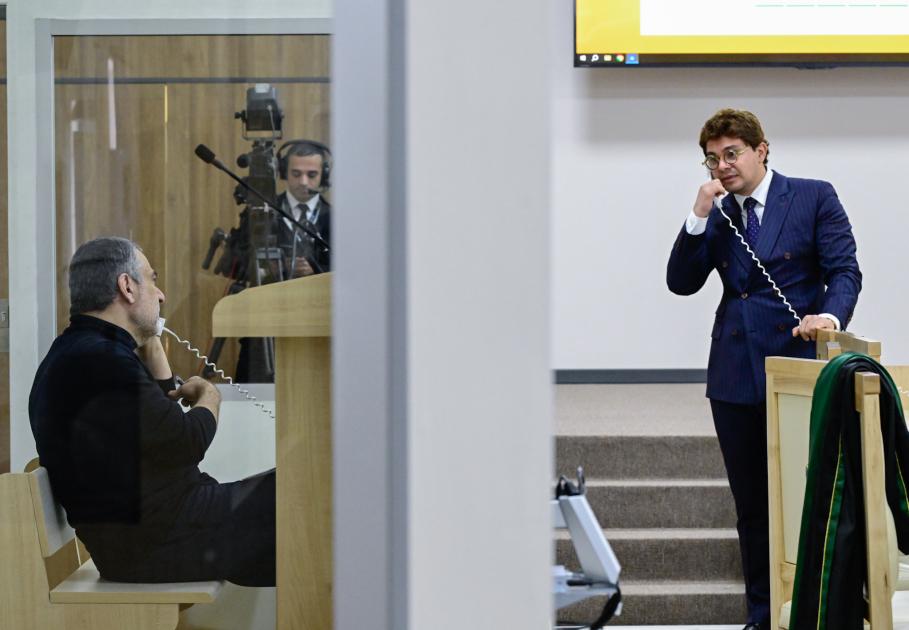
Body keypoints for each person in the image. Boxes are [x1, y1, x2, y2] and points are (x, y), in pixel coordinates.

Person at [666, 108, 862, 630]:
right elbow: (681, 282)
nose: (723, 166)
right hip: (733, 373)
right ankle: (761, 614)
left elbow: (845, 269)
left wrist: (831, 315)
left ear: (761, 150)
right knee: (752, 505)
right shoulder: (718, 213)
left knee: (811, 495)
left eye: (732, 154)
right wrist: (698, 216)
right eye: (713, 158)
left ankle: (820, 609)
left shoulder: (813, 195)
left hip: (798, 366)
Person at [29, 236, 275, 587]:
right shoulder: (101, 361)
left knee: (298, 487)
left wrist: (153, 348)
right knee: (305, 493)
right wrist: (210, 396)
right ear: (127, 286)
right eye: (153, 280)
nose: (161, 295)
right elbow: (187, 443)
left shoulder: (80, 352)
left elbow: (157, 438)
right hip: (160, 542)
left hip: (153, 535)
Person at [275, 139, 332, 276]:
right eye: (296, 174)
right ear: (284, 172)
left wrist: (316, 270)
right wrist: (279, 269)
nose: (303, 182)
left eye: (311, 175)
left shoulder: (335, 218)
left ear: (323, 176)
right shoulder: (263, 212)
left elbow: (348, 270)